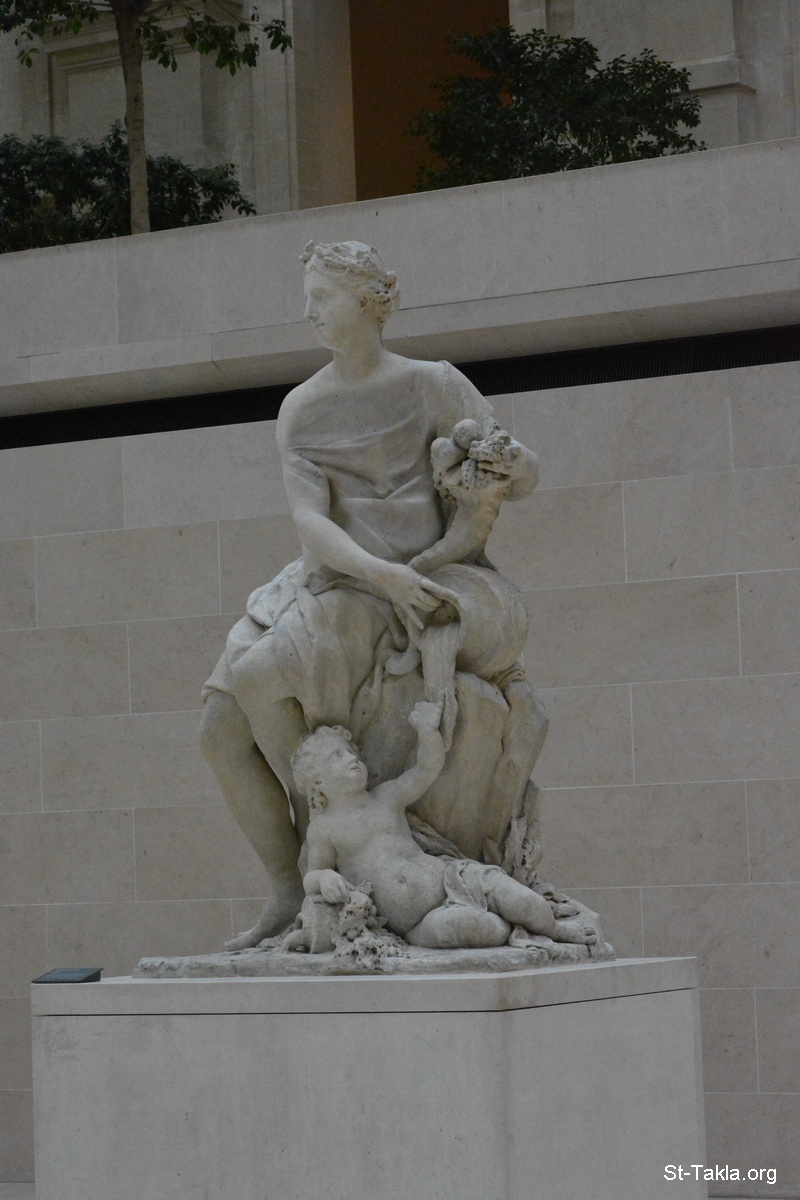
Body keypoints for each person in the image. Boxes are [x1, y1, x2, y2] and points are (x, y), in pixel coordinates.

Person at [200, 241, 540, 950]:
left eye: (322, 297)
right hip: (342, 575)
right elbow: (310, 521)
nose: (309, 312)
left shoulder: (433, 384)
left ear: (367, 301)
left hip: (430, 577)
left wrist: (510, 463)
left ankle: (322, 856)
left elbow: (523, 475)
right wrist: (379, 574)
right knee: (218, 729)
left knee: (259, 677)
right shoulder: (302, 408)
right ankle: (289, 886)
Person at [291, 701, 597, 950]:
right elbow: (312, 875)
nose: (350, 758)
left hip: (454, 878)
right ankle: (509, 927)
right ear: (317, 782)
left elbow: (426, 770)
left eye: (350, 752)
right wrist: (324, 878)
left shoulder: (386, 797)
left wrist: (427, 733)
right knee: (477, 929)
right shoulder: (325, 829)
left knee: (527, 902)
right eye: (336, 757)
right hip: (420, 924)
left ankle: (555, 929)